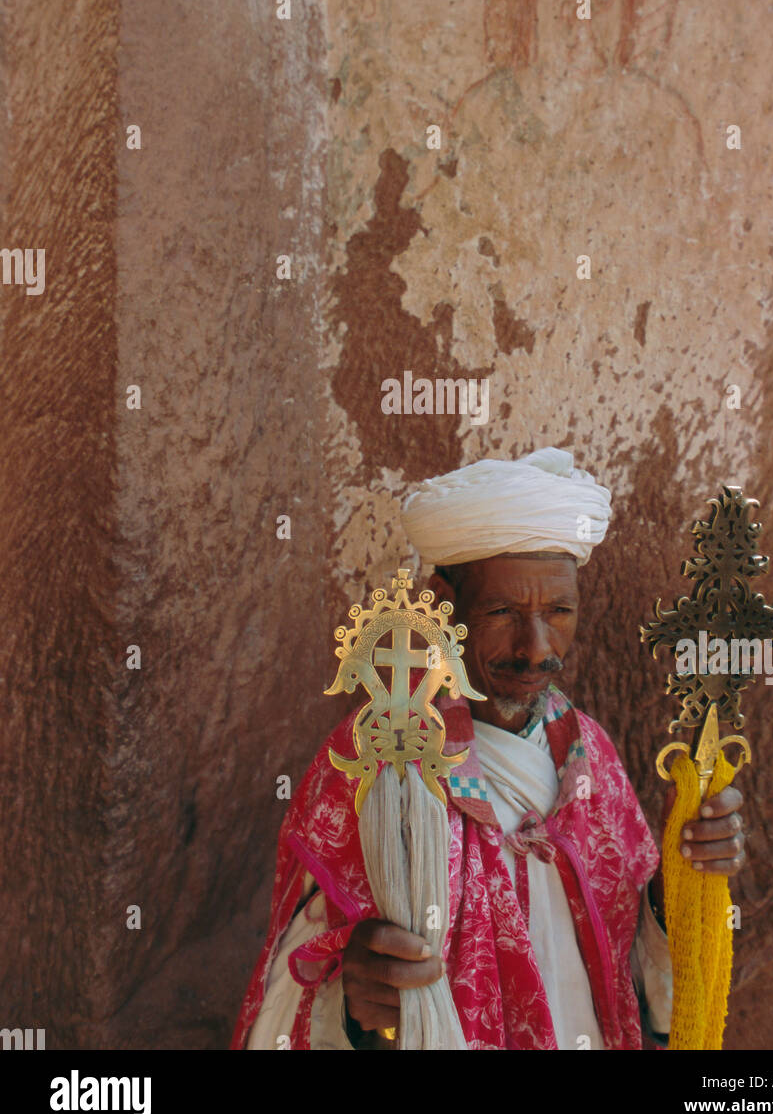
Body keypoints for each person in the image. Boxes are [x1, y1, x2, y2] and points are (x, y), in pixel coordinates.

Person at [231, 448, 746, 1050]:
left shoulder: (590, 756)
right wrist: (354, 1004)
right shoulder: (378, 758)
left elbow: (631, 983)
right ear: (442, 599)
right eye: (503, 612)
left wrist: (685, 879)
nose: (535, 648)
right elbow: (292, 992)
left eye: (559, 612)